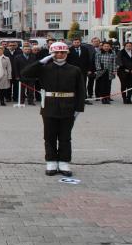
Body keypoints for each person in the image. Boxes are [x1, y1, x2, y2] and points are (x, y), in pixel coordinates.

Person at [21, 42, 85, 177]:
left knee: (65, 137)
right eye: (56, 52)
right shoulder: (45, 68)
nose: (60, 55)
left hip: (68, 106)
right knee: (49, 136)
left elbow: (80, 90)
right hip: (49, 106)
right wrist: (40, 62)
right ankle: (51, 161)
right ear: (51, 53)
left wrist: (79, 108)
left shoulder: (75, 69)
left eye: (63, 52)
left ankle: (63, 162)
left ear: (67, 54)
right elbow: (25, 74)